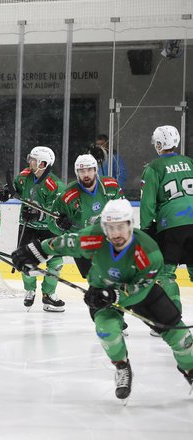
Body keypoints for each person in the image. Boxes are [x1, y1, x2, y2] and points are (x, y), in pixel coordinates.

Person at [11, 199, 193, 400]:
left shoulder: (149, 252)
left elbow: (142, 285)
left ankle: (190, 369)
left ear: (130, 225)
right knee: (107, 332)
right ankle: (122, 366)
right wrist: (34, 251)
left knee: (180, 338)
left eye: (121, 227)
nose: (115, 234)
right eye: (110, 228)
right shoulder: (94, 237)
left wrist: (116, 294)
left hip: (143, 294)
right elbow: (64, 243)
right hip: (102, 292)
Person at [0, 146, 65, 312]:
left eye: (33, 160)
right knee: (25, 259)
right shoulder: (24, 177)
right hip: (27, 226)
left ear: (43, 163)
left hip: (48, 229)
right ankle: (29, 290)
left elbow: (57, 212)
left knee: (56, 261)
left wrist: (39, 215)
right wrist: (6, 193)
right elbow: (15, 189)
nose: (30, 162)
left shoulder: (55, 186)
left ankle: (49, 295)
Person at [50, 153, 124, 278]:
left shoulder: (111, 186)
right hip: (82, 242)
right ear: (76, 173)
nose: (86, 174)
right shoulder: (68, 196)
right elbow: (51, 223)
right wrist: (59, 224)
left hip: (107, 238)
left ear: (96, 170)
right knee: (94, 278)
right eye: (82, 171)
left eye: (89, 170)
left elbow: (123, 211)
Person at [140, 125, 193, 286]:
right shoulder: (190, 162)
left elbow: (147, 201)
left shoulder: (153, 167)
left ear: (159, 144)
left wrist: (146, 228)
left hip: (171, 224)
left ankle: (172, 310)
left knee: (165, 274)